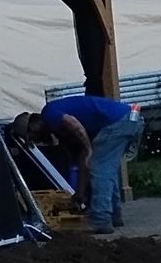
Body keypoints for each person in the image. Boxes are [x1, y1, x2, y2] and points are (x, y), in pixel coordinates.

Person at [19, 92, 144, 234]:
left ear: (33, 126)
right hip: (128, 119)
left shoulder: (49, 113)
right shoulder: (60, 130)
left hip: (118, 121)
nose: (37, 141)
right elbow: (82, 160)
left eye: (33, 137)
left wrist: (89, 149)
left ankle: (100, 221)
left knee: (100, 170)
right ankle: (115, 215)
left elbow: (75, 125)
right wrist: (80, 192)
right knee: (106, 168)